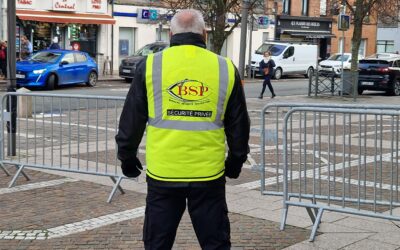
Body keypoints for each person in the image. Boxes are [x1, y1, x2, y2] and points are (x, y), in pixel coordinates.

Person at [115, 9, 250, 249]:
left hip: (163, 173)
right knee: (216, 244)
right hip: (208, 175)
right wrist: (235, 162)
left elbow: (132, 118)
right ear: (205, 34)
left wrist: (126, 156)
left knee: (157, 243)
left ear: (171, 33)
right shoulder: (225, 68)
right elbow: (239, 125)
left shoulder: (150, 66)